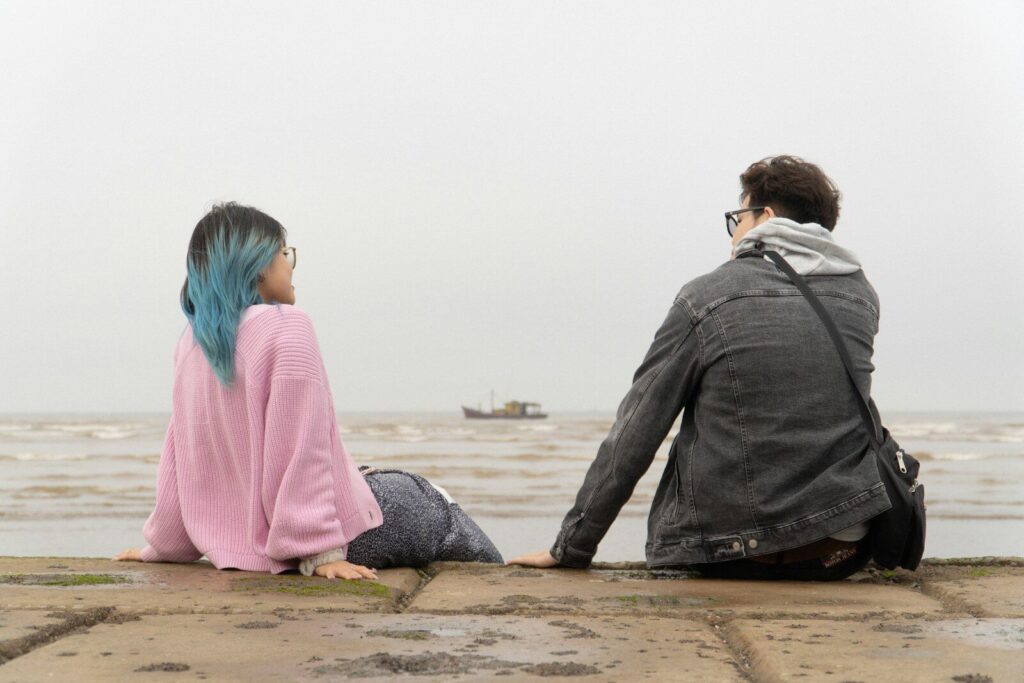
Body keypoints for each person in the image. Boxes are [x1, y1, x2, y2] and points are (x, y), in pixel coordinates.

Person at [510, 155, 889, 580]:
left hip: (736, 553)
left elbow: (637, 430)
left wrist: (573, 546)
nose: (735, 231)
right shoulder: (861, 296)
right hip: (843, 548)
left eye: (738, 218)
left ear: (764, 217)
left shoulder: (707, 296)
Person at [116, 203, 501, 579]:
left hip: (276, 531)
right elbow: (301, 446)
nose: (291, 264)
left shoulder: (192, 344)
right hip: (343, 532)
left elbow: (182, 457)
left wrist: (164, 547)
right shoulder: (286, 325)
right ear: (257, 264)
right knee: (439, 509)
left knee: (369, 478)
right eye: (285, 253)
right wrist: (321, 552)